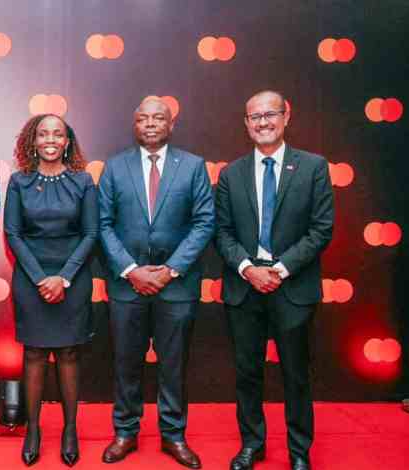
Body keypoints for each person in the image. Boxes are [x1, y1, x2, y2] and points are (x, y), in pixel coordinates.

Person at [214, 90, 334, 470]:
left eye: (270, 114)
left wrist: (279, 270)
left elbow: (321, 230)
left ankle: (300, 451)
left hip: (292, 286)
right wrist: (249, 269)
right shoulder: (230, 174)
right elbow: (221, 233)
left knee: (296, 374)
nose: (263, 122)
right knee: (247, 372)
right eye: (255, 117)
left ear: (286, 117)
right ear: (246, 124)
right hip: (244, 287)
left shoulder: (313, 167)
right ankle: (252, 444)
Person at [98, 97, 214, 468]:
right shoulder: (114, 168)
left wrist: (169, 270)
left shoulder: (194, 167)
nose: (150, 124)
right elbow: (102, 225)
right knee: (125, 362)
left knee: (174, 364)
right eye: (143, 118)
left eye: (158, 118)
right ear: (135, 125)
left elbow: (204, 223)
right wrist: (131, 270)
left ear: (171, 124)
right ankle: (125, 432)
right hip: (126, 285)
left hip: (176, 286)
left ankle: (174, 435)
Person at [4, 114, 99, 467]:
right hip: (31, 279)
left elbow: (91, 234)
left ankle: (70, 429)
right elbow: (13, 234)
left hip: (73, 278)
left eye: (57, 134)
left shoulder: (83, 181)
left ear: (67, 141)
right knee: (34, 354)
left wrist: (64, 277)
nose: (50, 139)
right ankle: (33, 429)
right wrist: (41, 277)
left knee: (70, 353)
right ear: (32, 140)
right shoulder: (19, 182)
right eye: (43, 133)